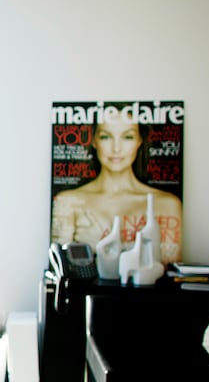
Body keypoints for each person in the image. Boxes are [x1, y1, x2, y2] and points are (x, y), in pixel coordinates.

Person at [50, 105, 182, 265]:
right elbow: (59, 269)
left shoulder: (166, 203)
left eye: (128, 137)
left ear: (140, 140)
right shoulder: (69, 200)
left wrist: (103, 243)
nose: (117, 148)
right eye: (106, 137)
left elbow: (166, 269)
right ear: (93, 140)